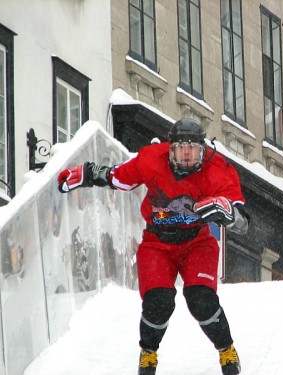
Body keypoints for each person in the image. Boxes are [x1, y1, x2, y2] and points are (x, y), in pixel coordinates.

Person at [58, 118, 248, 375]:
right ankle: (148, 353)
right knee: (158, 303)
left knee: (201, 299)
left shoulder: (217, 168)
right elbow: (119, 177)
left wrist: (230, 215)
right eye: (181, 148)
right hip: (157, 242)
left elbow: (243, 221)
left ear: (204, 150)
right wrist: (88, 174)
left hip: (197, 241)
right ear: (170, 149)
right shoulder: (152, 159)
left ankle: (226, 349)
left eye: (193, 149)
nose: (187, 155)